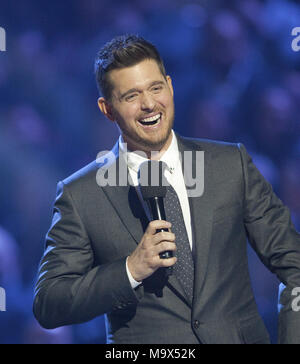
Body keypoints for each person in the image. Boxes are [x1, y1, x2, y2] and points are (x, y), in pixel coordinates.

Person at [33, 34, 300, 344]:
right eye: (131, 95)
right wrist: (130, 269)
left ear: (170, 87)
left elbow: (293, 263)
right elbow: (49, 303)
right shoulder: (81, 194)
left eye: (156, 88)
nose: (149, 104)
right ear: (107, 109)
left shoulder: (230, 164)